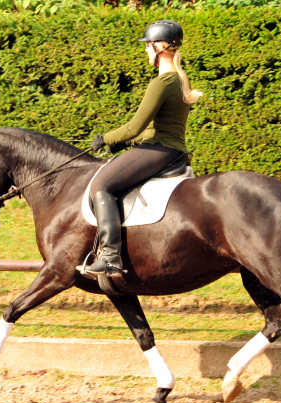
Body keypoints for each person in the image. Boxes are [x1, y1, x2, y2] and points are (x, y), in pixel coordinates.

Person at [79, 19, 202, 278]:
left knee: (101, 186)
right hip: (168, 148)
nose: (146, 50)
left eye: (148, 45)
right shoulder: (179, 80)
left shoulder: (162, 82)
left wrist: (106, 138)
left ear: (160, 47)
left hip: (160, 150)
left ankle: (110, 256)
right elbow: (151, 130)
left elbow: (135, 126)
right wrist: (125, 143)